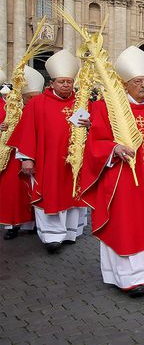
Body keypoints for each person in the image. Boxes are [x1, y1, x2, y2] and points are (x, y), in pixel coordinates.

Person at [79, 46, 144, 297]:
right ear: (125, 84)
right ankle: (126, 278)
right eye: (138, 81)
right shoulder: (106, 109)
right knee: (126, 226)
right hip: (121, 180)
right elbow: (96, 142)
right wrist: (114, 149)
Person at [7, 50, 88, 252]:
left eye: (69, 82)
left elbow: (95, 131)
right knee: (50, 195)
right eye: (62, 82)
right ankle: (52, 236)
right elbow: (26, 132)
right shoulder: (37, 103)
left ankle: (71, 232)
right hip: (47, 161)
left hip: (75, 162)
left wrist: (90, 124)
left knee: (73, 195)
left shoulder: (82, 103)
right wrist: (27, 158)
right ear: (52, 83)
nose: (66, 85)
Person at [0, 67, 42, 240]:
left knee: (34, 190)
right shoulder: (11, 108)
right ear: (23, 97)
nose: (33, 100)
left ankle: (32, 224)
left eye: (36, 97)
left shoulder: (40, 108)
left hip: (36, 155)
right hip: (12, 156)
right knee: (13, 191)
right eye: (30, 97)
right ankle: (12, 224)